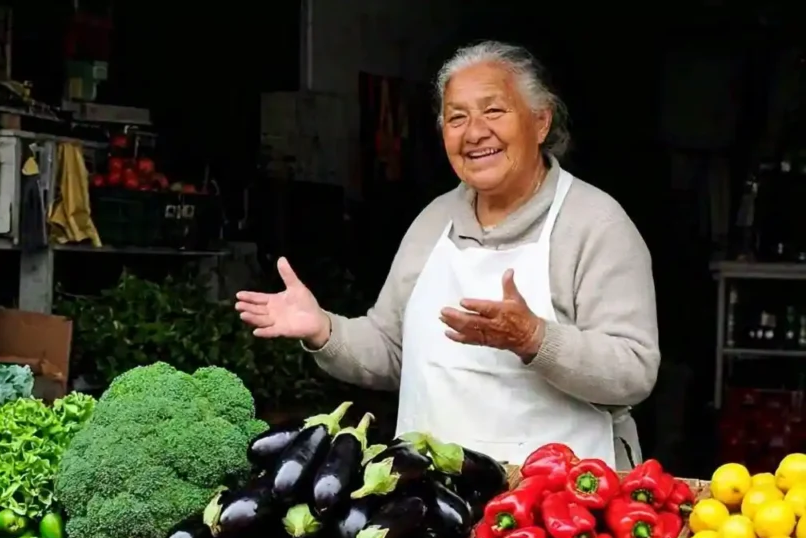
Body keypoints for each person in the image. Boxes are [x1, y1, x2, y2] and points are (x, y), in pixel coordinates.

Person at [235, 41, 659, 468]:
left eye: (494, 111)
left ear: (541, 121)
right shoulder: (434, 221)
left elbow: (634, 371)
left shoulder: (594, 223)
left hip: (559, 504)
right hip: (434, 498)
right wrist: (324, 329)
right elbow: (391, 350)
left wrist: (534, 339)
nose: (474, 132)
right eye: (457, 117)